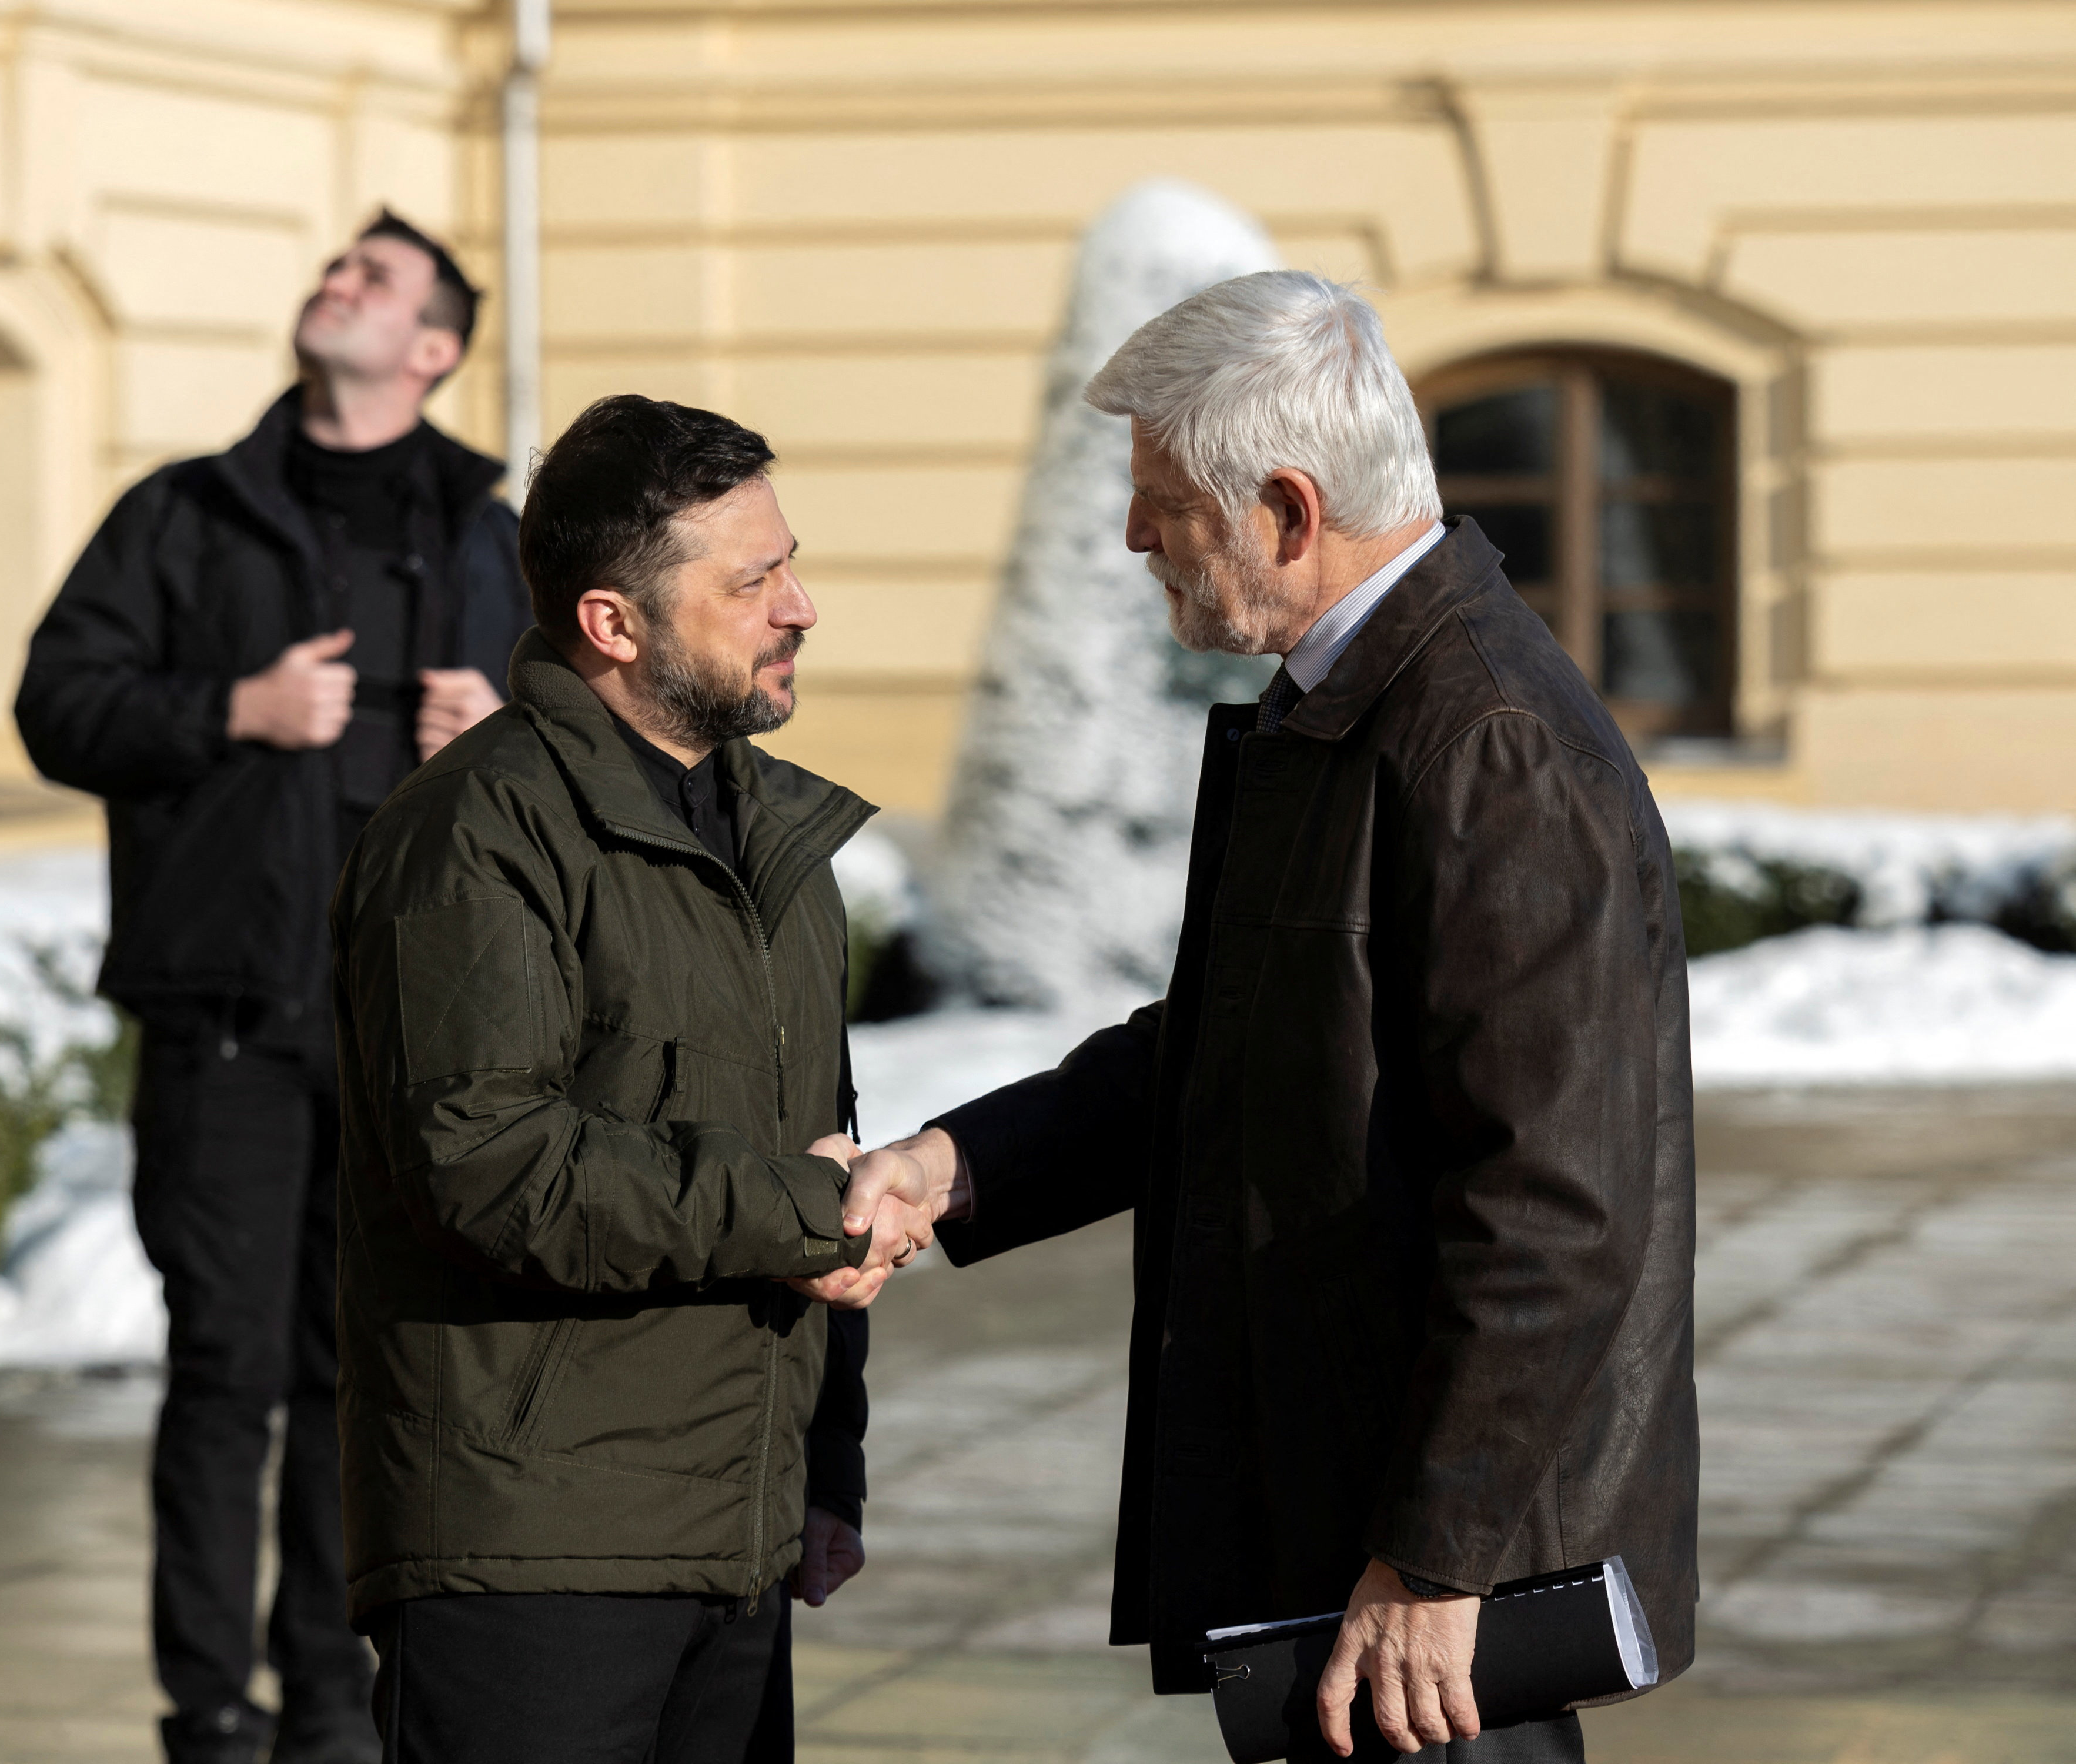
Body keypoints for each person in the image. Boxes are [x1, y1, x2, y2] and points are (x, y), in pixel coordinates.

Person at [840, 272, 1699, 1762]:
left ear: (1290, 512)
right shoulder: (1359, 701)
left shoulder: (1483, 739)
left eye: (1166, 503)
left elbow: (1557, 1208)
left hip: (1424, 1585)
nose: (1135, 537)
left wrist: (1435, 1559)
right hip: (1344, 1521)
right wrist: (954, 1167)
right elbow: (1230, 1048)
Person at [326, 393, 928, 1764]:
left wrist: (824, 1466)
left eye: (790, 565)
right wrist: (800, 1213)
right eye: (752, 584)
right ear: (613, 623)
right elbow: (491, 1166)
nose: (800, 609)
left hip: (736, 1541)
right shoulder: (473, 833)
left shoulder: (776, 837)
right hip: (530, 1557)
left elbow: (819, 1144)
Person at [14, 211, 533, 1764]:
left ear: (432, 350)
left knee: (352, 1378)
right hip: (228, 1027)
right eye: (337, 268)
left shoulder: (488, 534)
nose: (336, 283)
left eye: (374, 279)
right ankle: (206, 1713)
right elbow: (56, 703)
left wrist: (502, 731)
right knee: (223, 1374)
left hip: (408, 1035)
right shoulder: (184, 514)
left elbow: (594, 740)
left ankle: (325, 1704)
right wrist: (229, 707)